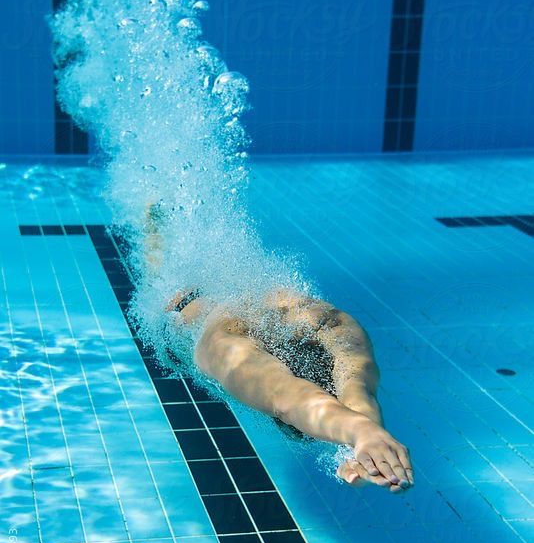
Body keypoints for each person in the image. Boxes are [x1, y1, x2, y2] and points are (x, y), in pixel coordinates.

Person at [145, 204, 414, 493]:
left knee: (165, 250)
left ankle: (157, 214)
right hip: (179, 309)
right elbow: (286, 398)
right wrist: (362, 431)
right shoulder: (230, 350)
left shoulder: (331, 324)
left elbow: (357, 387)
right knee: (156, 267)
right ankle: (153, 218)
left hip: (207, 299)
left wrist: (367, 435)